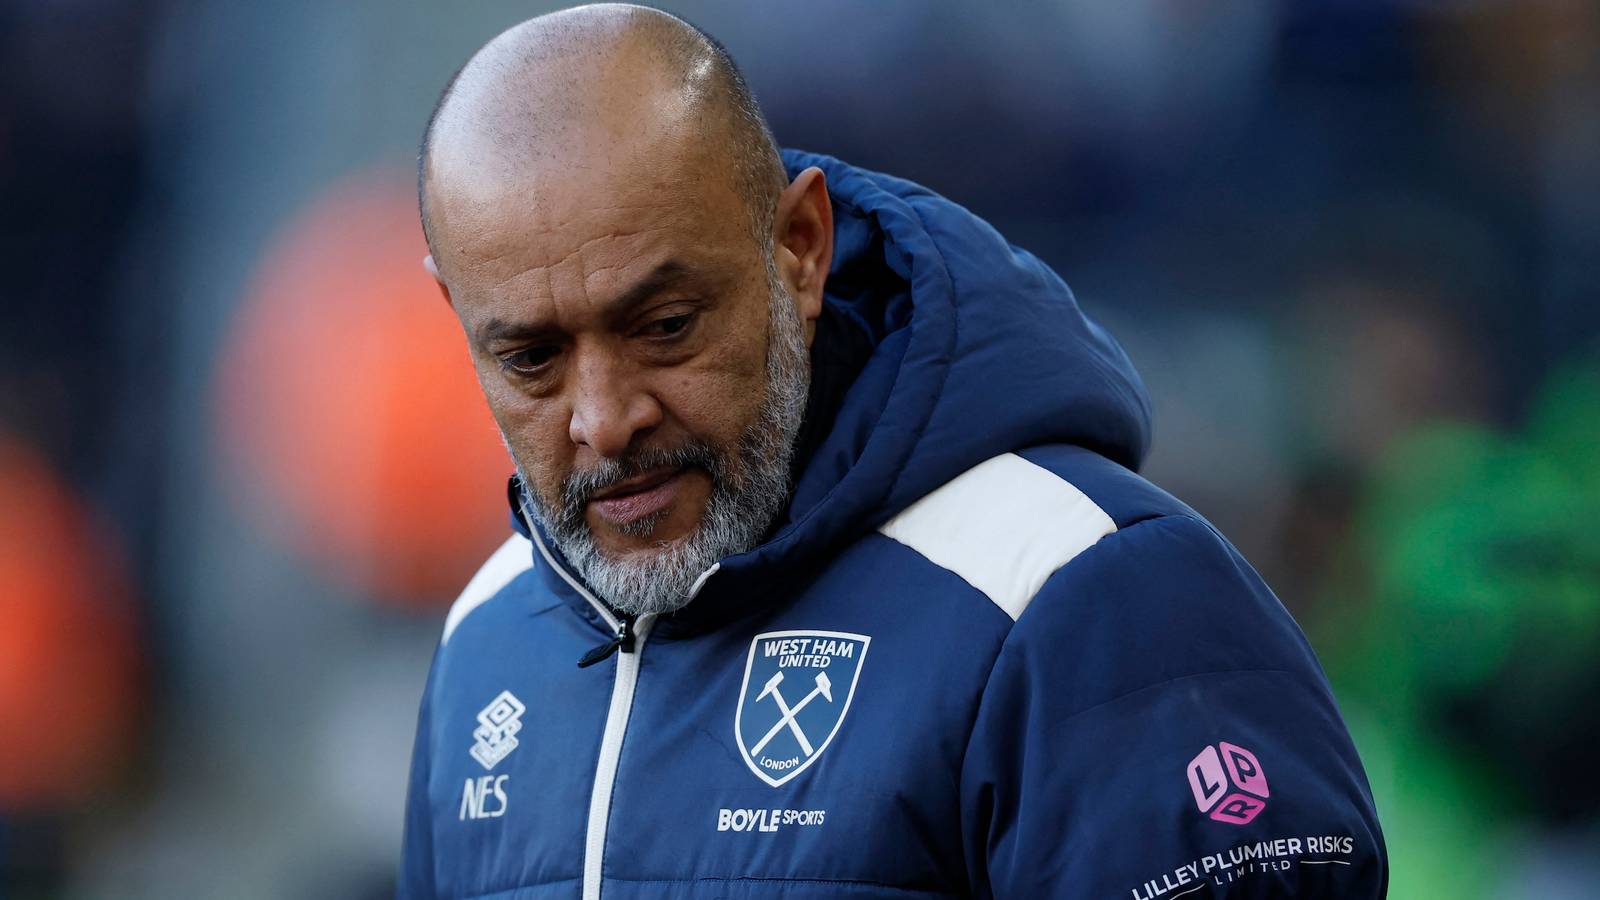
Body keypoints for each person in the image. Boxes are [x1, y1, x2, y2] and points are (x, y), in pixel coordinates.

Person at [399, 5, 1388, 898]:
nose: (605, 420)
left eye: (664, 326)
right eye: (530, 359)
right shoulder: (489, 639)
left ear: (800, 248)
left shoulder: (1085, 593)